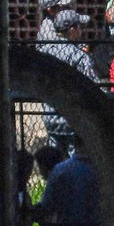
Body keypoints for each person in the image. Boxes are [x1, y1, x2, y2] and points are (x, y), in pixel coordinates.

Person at [40, 9, 98, 154]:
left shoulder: (44, 51)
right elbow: (93, 85)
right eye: (79, 27)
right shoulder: (78, 56)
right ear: (71, 30)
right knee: (75, 158)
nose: (81, 31)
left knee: (54, 158)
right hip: (72, 119)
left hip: (50, 116)